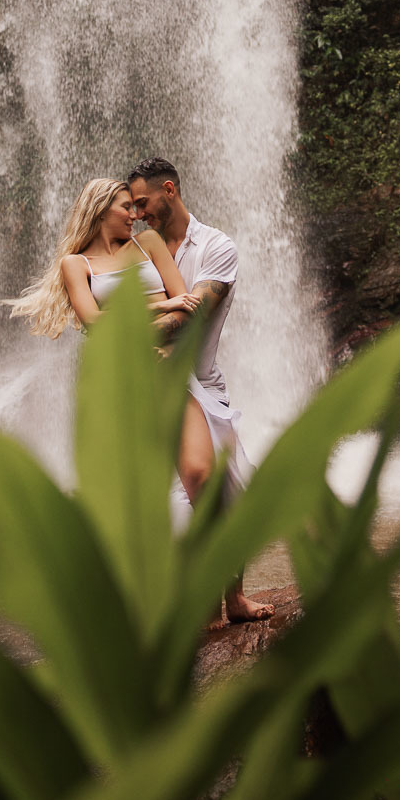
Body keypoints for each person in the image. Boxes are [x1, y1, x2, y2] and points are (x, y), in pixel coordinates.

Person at [128, 156, 272, 623]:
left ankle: (233, 599)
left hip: (204, 383)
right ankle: (205, 602)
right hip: (156, 388)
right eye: (131, 206)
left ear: (169, 189)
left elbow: (189, 320)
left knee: (229, 490)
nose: (137, 213)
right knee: (189, 490)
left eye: (143, 202)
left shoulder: (216, 247)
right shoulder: (139, 250)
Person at [4, 177, 199, 343]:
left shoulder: (148, 241)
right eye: (126, 207)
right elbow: (94, 322)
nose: (134, 215)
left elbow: (184, 302)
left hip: (167, 350)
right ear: (101, 210)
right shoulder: (75, 264)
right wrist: (163, 306)